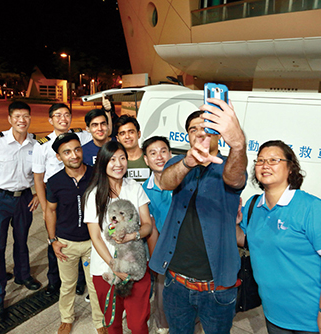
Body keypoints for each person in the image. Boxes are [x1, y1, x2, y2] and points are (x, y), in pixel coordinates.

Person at [149, 98, 248, 334]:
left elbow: (235, 179)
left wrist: (238, 145)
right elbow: (164, 182)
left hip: (217, 286)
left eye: (206, 128)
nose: (199, 133)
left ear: (216, 134)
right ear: (188, 137)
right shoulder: (178, 163)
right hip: (176, 281)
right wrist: (188, 162)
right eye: (193, 129)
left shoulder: (229, 164)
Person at [237, 140, 321, 334]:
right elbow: (244, 240)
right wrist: (233, 221)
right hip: (275, 316)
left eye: (274, 160)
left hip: (313, 319)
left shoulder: (311, 207)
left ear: (291, 168)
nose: (265, 165)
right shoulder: (253, 205)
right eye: (260, 160)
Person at [0, 101, 41, 322]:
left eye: (26, 116)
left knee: (22, 240)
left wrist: (38, 194)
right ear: (10, 119)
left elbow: (41, 173)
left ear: (30, 118)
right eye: (17, 116)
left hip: (23, 198)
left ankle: (23, 275)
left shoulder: (35, 144)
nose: (22, 120)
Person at [83, 141, 153, 334]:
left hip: (135, 266)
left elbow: (148, 225)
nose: (118, 164)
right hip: (105, 268)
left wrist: (133, 235)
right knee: (112, 323)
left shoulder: (134, 188)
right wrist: (114, 266)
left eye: (122, 158)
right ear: (103, 162)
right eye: (112, 159)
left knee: (138, 324)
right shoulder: (94, 195)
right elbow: (95, 236)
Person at [45, 133, 107, 334]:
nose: (74, 155)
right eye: (67, 152)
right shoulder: (54, 182)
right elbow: (50, 211)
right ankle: (66, 318)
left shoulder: (96, 174)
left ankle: (99, 321)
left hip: (93, 242)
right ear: (59, 157)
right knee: (68, 285)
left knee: (96, 285)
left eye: (77, 149)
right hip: (66, 243)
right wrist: (53, 240)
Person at [32, 103, 91, 297]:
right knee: (55, 241)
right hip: (55, 196)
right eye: (57, 115)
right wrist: (45, 209)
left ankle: (81, 281)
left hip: (79, 191)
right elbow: (39, 178)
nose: (63, 119)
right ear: (50, 120)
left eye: (66, 115)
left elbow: (102, 133)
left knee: (81, 236)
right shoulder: (42, 145)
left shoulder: (80, 136)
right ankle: (54, 281)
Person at [141, 136, 173, 334]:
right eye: (153, 153)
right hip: (162, 249)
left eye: (163, 151)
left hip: (187, 248)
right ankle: (163, 324)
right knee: (161, 289)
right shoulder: (144, 191)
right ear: (146, 160)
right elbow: (150, 228)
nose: (159, 157)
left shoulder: (183, 182)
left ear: (170, 154)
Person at [115, 115, 150, 184]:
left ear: (139, 134)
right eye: (122, 134)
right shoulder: (114, 162)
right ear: (117, 138)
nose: (127, 136)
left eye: (131, 132)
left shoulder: (150, 157)